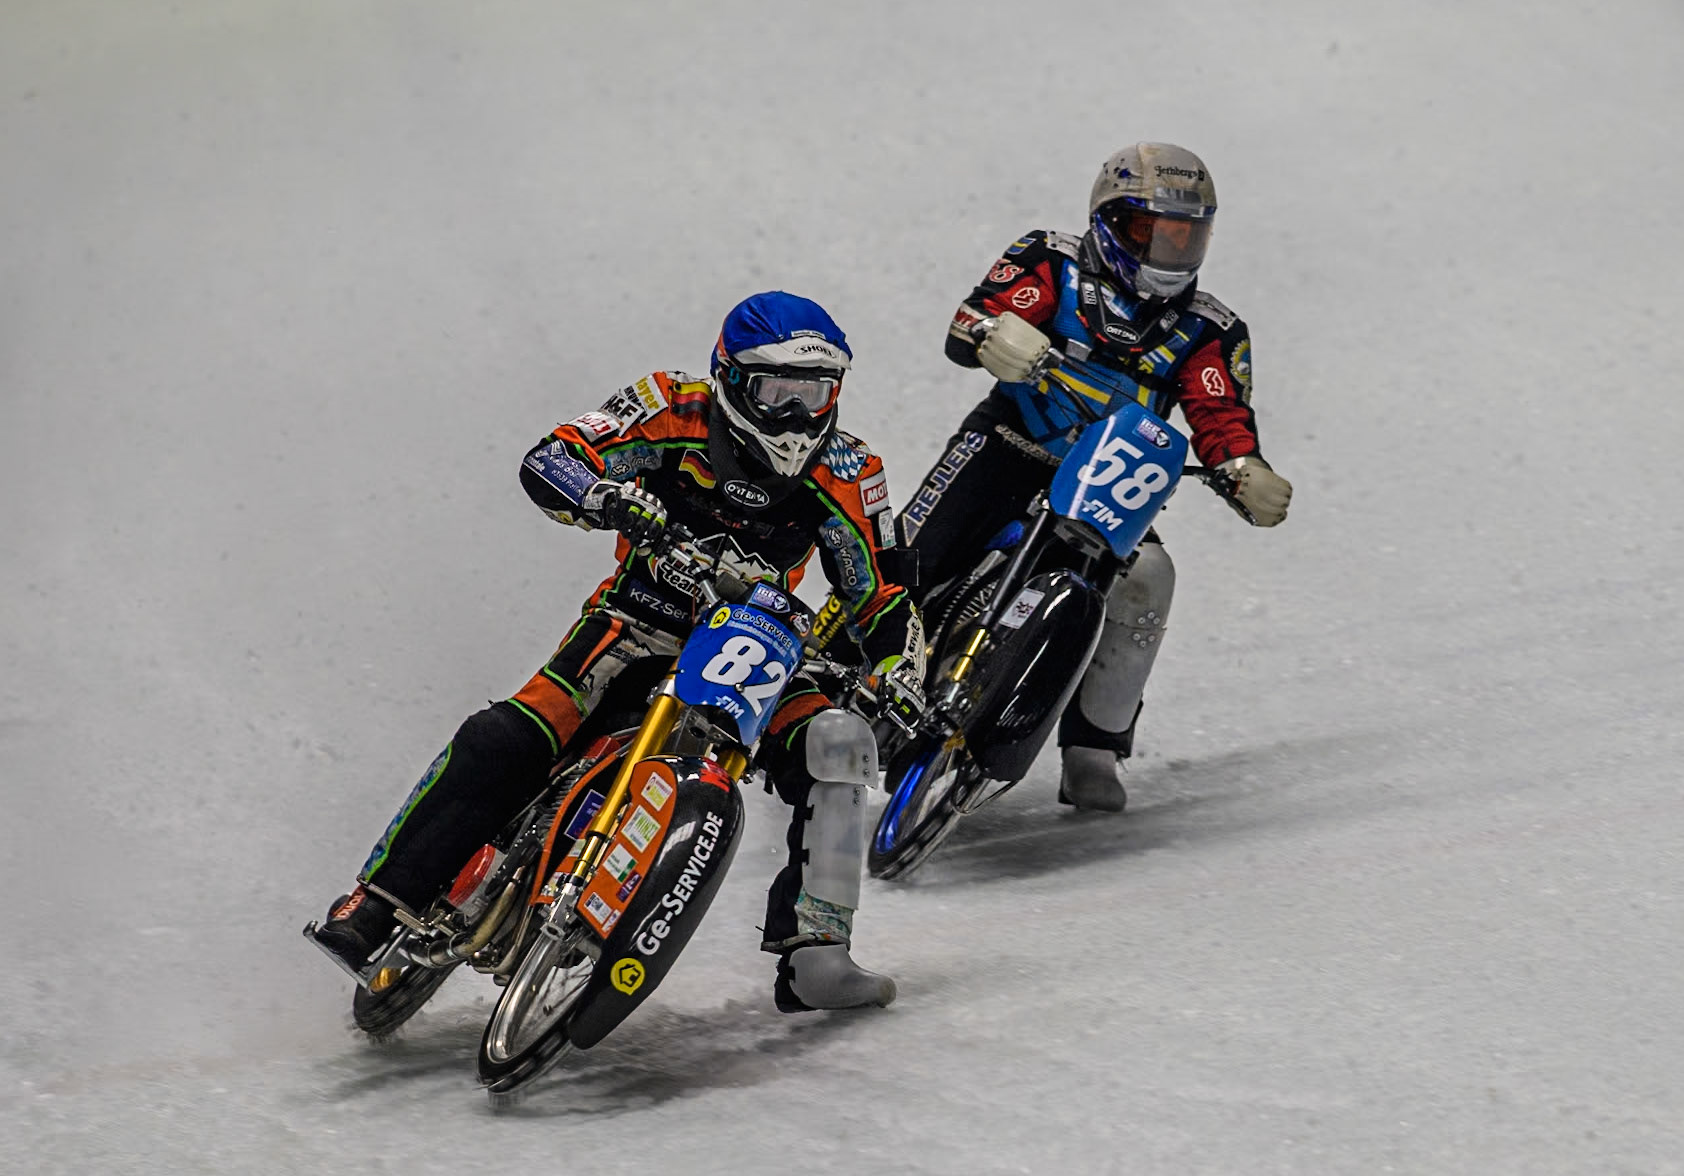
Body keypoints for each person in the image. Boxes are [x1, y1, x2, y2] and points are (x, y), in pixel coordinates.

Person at [311, 291, 923, 1012]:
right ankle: (374, 904)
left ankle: (818, 952)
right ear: (730, 378)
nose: (795, 416)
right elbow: (554, 457)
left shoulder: (852, 470)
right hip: (635, 623)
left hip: (763, 652)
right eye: (775, 391)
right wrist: (605, 496)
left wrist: (900, 670)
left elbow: (882, 595)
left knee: (841, 745)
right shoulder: (669, 406)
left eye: (813, 394)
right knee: (505, 736)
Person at [896, 143, 1293, 813]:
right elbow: (969, 320)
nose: (1170, 251)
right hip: (1009, 442)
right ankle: (835, 680)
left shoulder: (1211, 329)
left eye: (1186, 236)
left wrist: (1241, 466)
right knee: (908, 556)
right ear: (1108, 223)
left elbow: (1218, 410)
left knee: (1148, 581)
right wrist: (992, 333)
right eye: (1151, 231)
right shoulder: (1047, 258)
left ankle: (1094, 748)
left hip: (1110, 479)